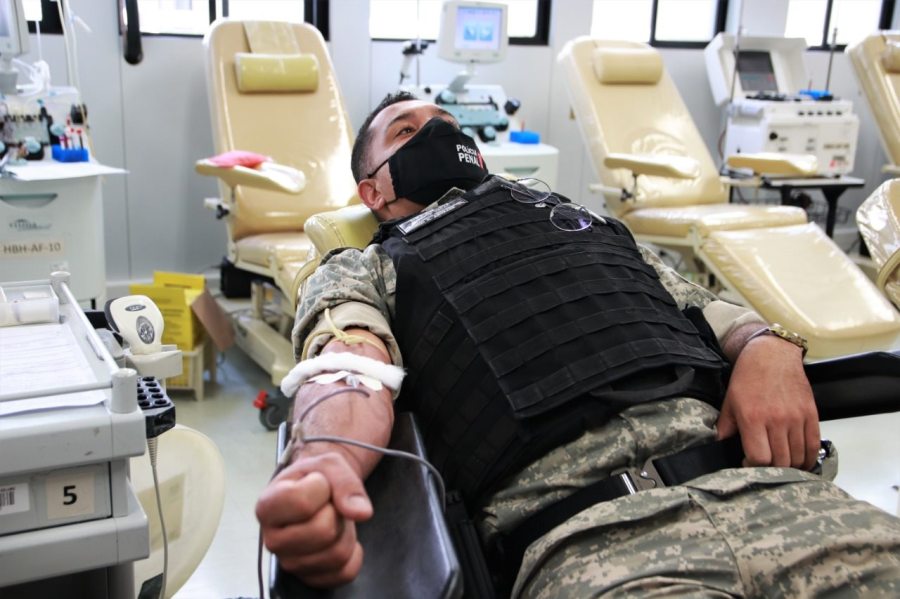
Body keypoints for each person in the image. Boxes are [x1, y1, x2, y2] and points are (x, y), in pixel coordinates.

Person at [256, 91, 900, 597]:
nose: (438, 135)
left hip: (779, 498)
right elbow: (349, 367)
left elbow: (715, 312)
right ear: (373, 192)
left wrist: (770, 349)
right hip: (592, 543)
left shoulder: (587, 225)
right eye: (406, 132)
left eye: (447, 124)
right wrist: (326, 459)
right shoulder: (363, 266)